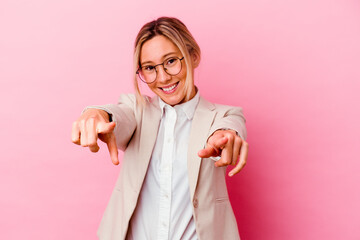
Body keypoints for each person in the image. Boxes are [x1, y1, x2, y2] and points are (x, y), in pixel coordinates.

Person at [71, 17, 248, 240]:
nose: (162, 77)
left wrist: (225, 139)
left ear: (193, 56)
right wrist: (95, 113)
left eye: (171, 61)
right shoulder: (137, 110)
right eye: (149, 68)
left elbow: (230, 129)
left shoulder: (224, 116)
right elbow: (118, 115)